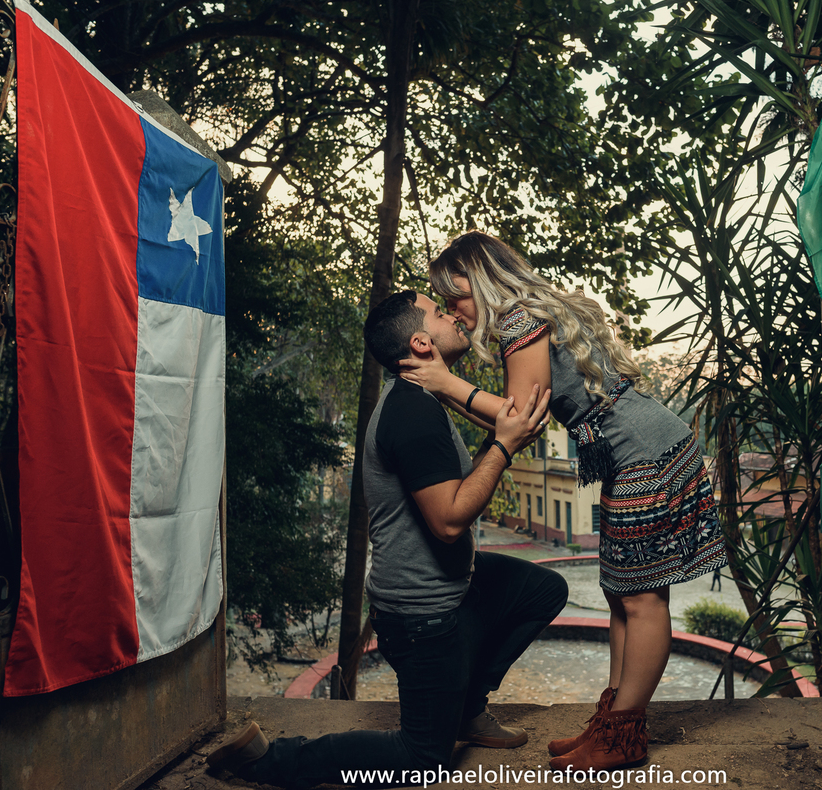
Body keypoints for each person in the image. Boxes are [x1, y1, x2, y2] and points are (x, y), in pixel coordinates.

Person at [206, 289, 567, 788]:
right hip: (421, 615)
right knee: (422, 760)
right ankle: (267, 760)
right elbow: (448, 521)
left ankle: (467, 709)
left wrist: (501, 430)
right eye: (441, 313)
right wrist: (503, 445)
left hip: (452, 587)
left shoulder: (422, 398)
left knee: (543, 590)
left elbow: (486, 439)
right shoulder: (411, 413)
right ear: (421, 343)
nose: (453, 316)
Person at [398, 231, 728, 771]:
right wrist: (447, 388)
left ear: (476, 278)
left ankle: (621, 739)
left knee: (642, 600)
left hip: (643, 452)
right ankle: (609, 726)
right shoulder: (530, 312)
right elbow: (515, 424)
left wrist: (443, 381)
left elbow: (518, 414)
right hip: (639, 447)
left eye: (451, 294)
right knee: (623, 592)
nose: (454, 312)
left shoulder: (518, 319)